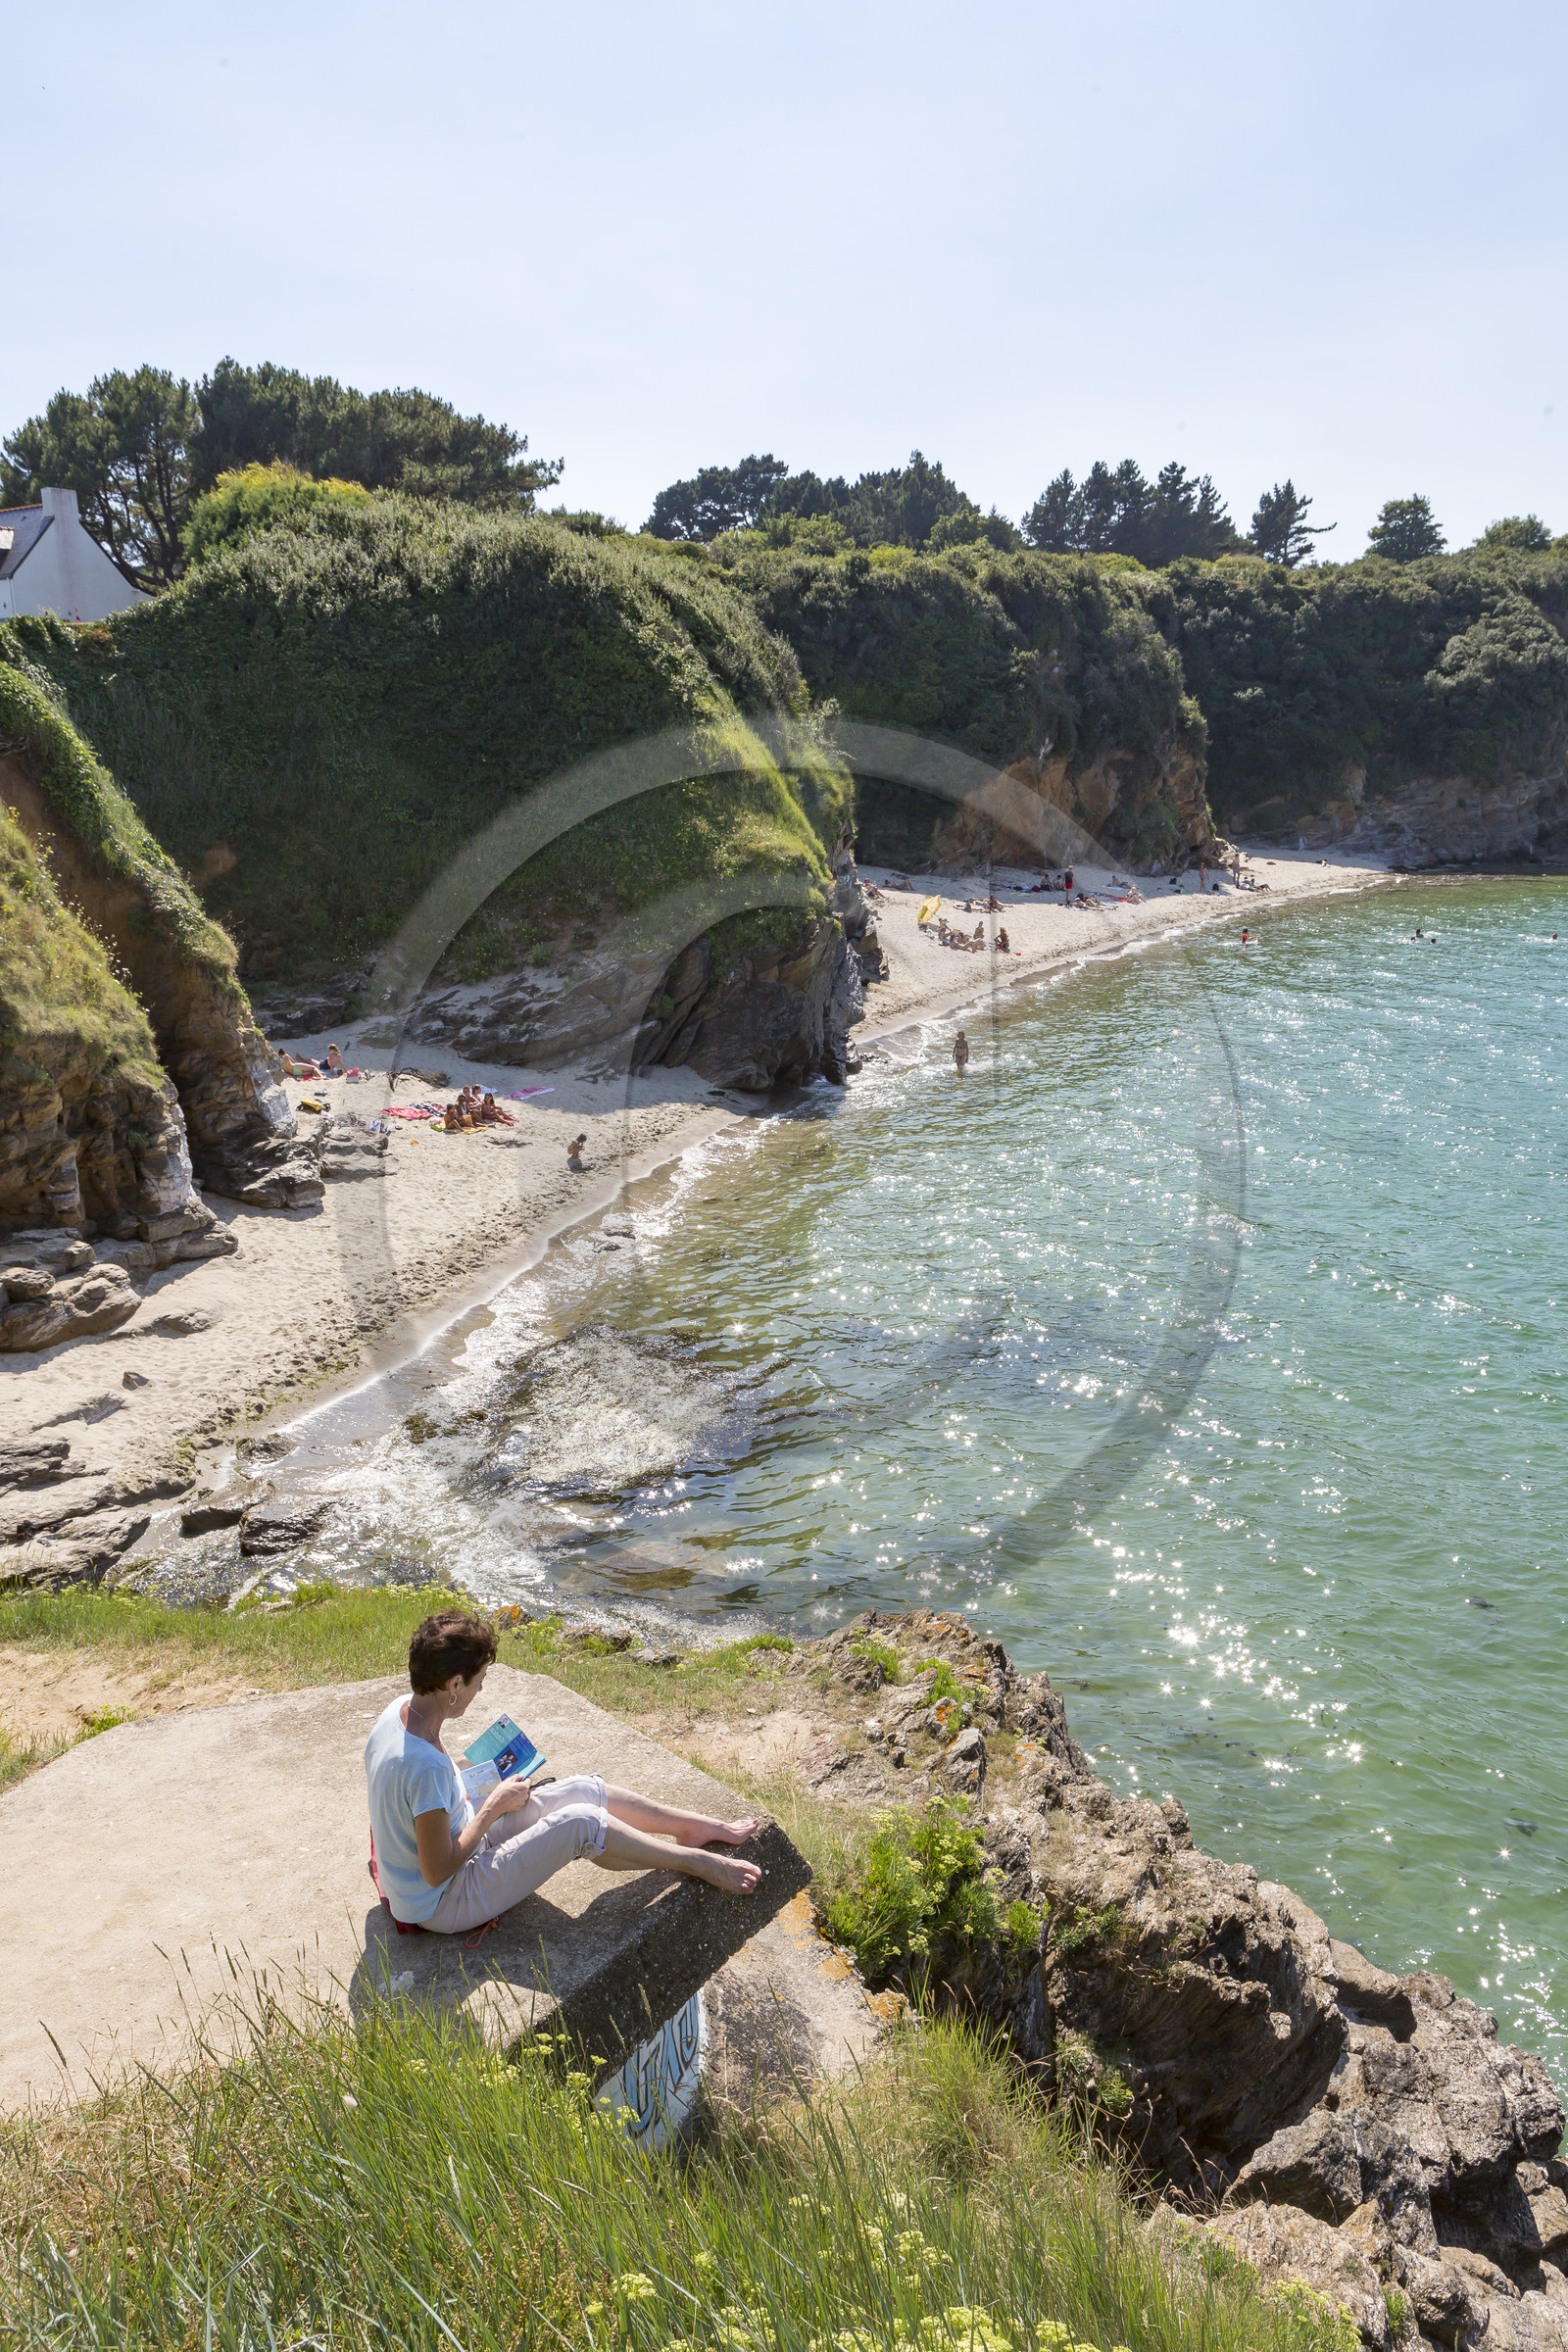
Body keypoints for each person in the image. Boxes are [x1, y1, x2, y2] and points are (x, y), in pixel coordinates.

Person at [365, 1610, 761, 1934]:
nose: (479, 1691)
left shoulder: (400, 1711)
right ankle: (696, 1862)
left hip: (459, 1842)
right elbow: (436, 1872)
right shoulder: (425, 1766)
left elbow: (425, 1800)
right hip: (444, 1900)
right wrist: (493, 1807)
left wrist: (488, 1798)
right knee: (582, 1824)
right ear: (453, 1684)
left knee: (585, 1790)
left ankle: (691, 1828)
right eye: (478, 1681)